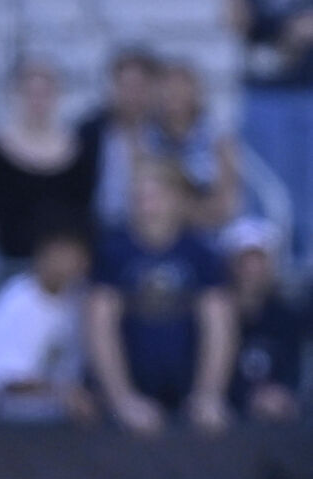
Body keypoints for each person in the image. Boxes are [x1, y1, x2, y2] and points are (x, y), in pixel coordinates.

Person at [84, 159, 237, 435]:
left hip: (185, 387)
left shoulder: (200, 252)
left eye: (155, 195)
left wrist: (209, 394)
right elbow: (100, 328)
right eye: (139, 196)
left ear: (178, 199)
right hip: (130, 388)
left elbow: (219, 327)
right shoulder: (113, 250)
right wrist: (122, 399)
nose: (146, 204)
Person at [0, 227, 98, 424]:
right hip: (12, 425)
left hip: (62, 423)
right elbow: (7, 380)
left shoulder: (80, 297)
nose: (71, 263)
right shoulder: (14, 302)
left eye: (77, 255)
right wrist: (63, 393)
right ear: (43, 255)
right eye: (63, 253)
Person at [0, 59, 96, 265]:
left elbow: (81, 209)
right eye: (30, 93)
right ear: (17, 95)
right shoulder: (0, 146)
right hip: (15, 259)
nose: (37, 101)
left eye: (44, 93)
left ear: (57, 95)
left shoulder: (77, 146)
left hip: (66, 264)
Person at [236, 0, 313, 264]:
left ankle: (304, 259)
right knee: (264, 190)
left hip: (306, 88)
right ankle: (261, 263)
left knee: (306, 187)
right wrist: (287, 36)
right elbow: (236, 21)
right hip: (266, 91)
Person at [221, 218, 304, 423]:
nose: (251, 270)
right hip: (222, 424)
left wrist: (283, 396)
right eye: (244, 261)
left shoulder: (288, 317)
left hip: (283, 421)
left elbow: (294, 369)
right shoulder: (213, 316)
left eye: (259, 260)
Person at [148, 60, 242, 230]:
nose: (174, 94)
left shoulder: (219, 138)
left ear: (196, 92)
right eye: (168, 88)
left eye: (181, 87)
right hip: (161, 228)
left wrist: (192, 213)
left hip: (210, 225)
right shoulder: (146, 138)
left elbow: (227, 202)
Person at [77, 48, 161, 230]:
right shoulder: (90, 132)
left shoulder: (165, 132)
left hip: (154, 231)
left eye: (140, 87)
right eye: (125, 86)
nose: (132, 95)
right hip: (100, 230)